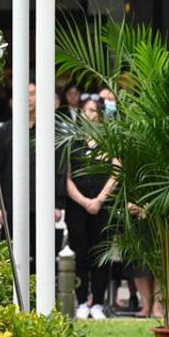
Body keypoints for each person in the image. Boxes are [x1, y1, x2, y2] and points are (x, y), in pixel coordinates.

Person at [0, 82, 66, 269]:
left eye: (33, 93)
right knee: (12, 258)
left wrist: (59, 203)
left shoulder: (52, 131)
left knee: (44, 260)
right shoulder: (5, 131)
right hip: (12, 206)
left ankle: (42, 298)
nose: (28, 98)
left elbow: (61, 168)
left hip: (43, 205)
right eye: (24, 94)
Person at [64, 98, 117, 320]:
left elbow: (117, 171)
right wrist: (85, 201)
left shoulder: (109, 142)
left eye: (93, 111)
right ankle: (81, 302)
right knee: (80, 256)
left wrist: (99, 199)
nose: (89, 115)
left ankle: (98, 302)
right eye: (85, 111)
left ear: (100, 115)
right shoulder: (71, 143)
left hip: (103, 207)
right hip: (78, 207)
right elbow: (65, 178)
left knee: (100, 256)